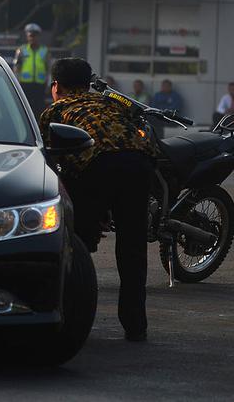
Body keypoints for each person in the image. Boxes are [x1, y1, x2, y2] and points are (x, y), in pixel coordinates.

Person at [39, 57, 156, 342]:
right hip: (140, 165)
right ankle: (135, 325)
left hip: (98, 167)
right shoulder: (113, 103)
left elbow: (49, 162)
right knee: (133, 248)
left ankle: (70, 318)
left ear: (56, 86)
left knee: (78, 245)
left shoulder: (56, 110)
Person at [13, 23, 50, 117]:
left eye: (35, 36)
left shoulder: (44, 51)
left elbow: (48, 69)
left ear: (38, 36)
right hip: (25, 85)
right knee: (26, 109)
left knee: (39, 109)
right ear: (27, 36)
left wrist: (48, 85)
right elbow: (16, 68)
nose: (33, 38)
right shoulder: (21, 50)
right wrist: (16, 84)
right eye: (30, 36)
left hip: (40, 85)